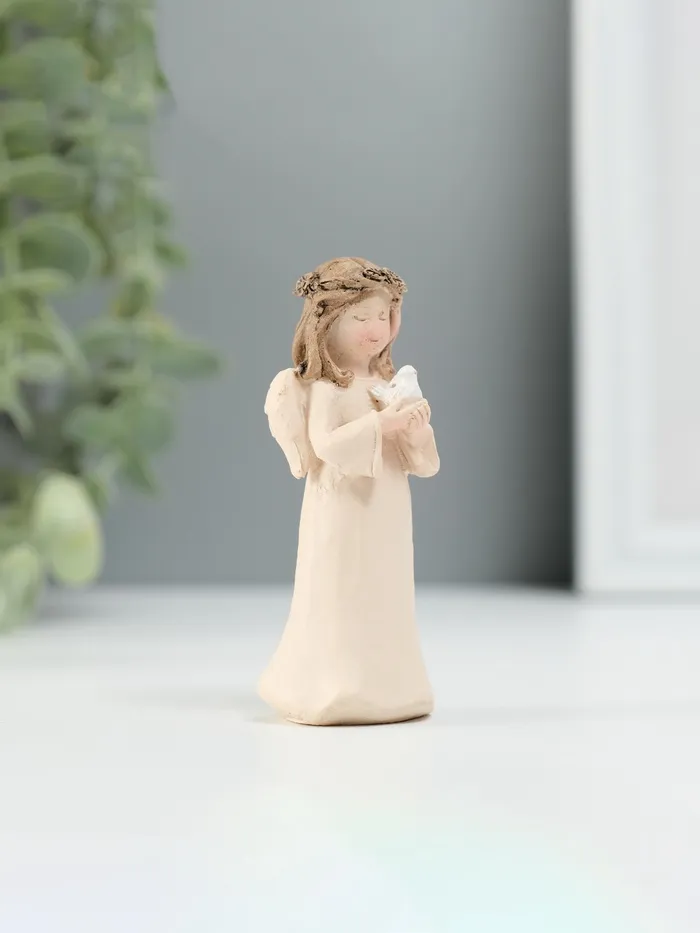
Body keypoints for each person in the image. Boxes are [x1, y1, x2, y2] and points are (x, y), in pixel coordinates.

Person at [259, 257, 439, 725]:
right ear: (328, 321)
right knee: (343, 589)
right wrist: (383, 423)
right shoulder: (328, 387)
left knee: (385, 589)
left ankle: (393, 686)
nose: (376, 329)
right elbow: (325, 445)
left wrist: (416, 432)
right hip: (342, 508)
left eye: (383, 316)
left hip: (386, 508)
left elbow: (422, 461)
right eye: (361, 317)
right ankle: (333, 685)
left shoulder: (386, 384)